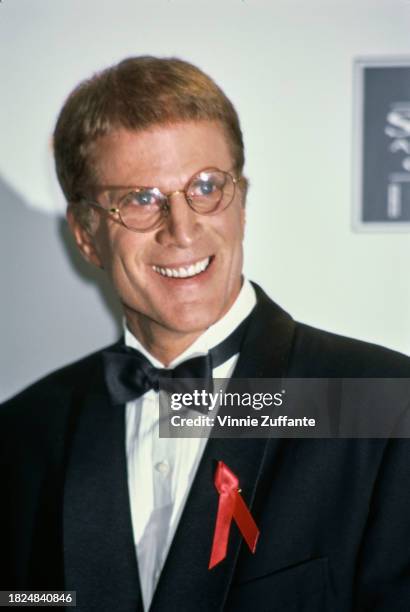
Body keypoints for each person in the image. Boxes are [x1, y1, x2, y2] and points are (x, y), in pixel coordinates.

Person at [1, 56, 409, 612]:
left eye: (206, 186)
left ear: (241, 203)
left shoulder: (382, 406)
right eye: (139, 199)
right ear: (87, 235)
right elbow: (29, 600)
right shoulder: (24, 434)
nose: (183, 228)